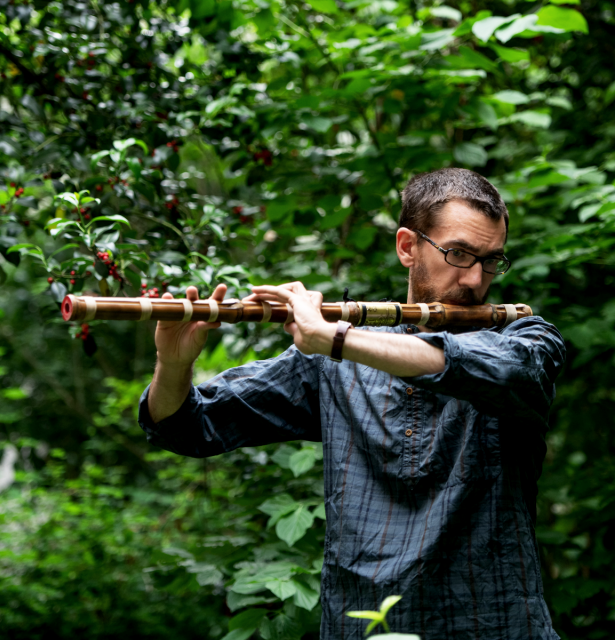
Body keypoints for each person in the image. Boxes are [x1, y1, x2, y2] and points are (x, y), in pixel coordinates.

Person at [138, 168, 566, 640]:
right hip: (361, 627)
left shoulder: (526, 339)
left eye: (491, 260)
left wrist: (333, 338)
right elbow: (186, 426)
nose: (474, 279)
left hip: (497, 626)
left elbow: (495, 369)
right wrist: (173, 365)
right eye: (459, 254)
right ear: (408, 246)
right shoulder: (331, 361)